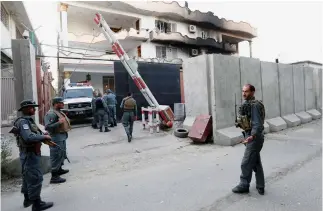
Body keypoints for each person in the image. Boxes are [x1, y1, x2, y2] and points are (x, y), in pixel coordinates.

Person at [10, 100, 54, 210]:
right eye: (31, 108)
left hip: (29, 153)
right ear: (25, 109)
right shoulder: (24, 122)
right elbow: (28, 137)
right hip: (30, 154)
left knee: (27, 177)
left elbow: (33, 133)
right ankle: (37, 204)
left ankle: (27, 199)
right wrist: (43, 137)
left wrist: (42, 134)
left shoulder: (28, 121)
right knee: (35, 177)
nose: (34, 109)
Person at [233, 84, 266, 195]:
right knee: (255, 161)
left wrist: (252, 136)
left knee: (246, 162)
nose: (244, 93)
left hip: (254, 137)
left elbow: (257, 124)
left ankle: (244, 185)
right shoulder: (246, 104)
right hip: (249, 135)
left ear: (253, 92)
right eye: (243, 91)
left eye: (246, 91)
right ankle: (260, 186)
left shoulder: (255, 105)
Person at [44, 97, 71, 184]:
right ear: (55, 104)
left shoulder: (59, 112)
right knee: (55, 156)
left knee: (61, 154)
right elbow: (47, 127)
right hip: (56, 137)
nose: (63, 104)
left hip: (61, 136)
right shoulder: (51, 114)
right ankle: (54, 177)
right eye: (61, 103)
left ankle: (59, 169)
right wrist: (59, 122)